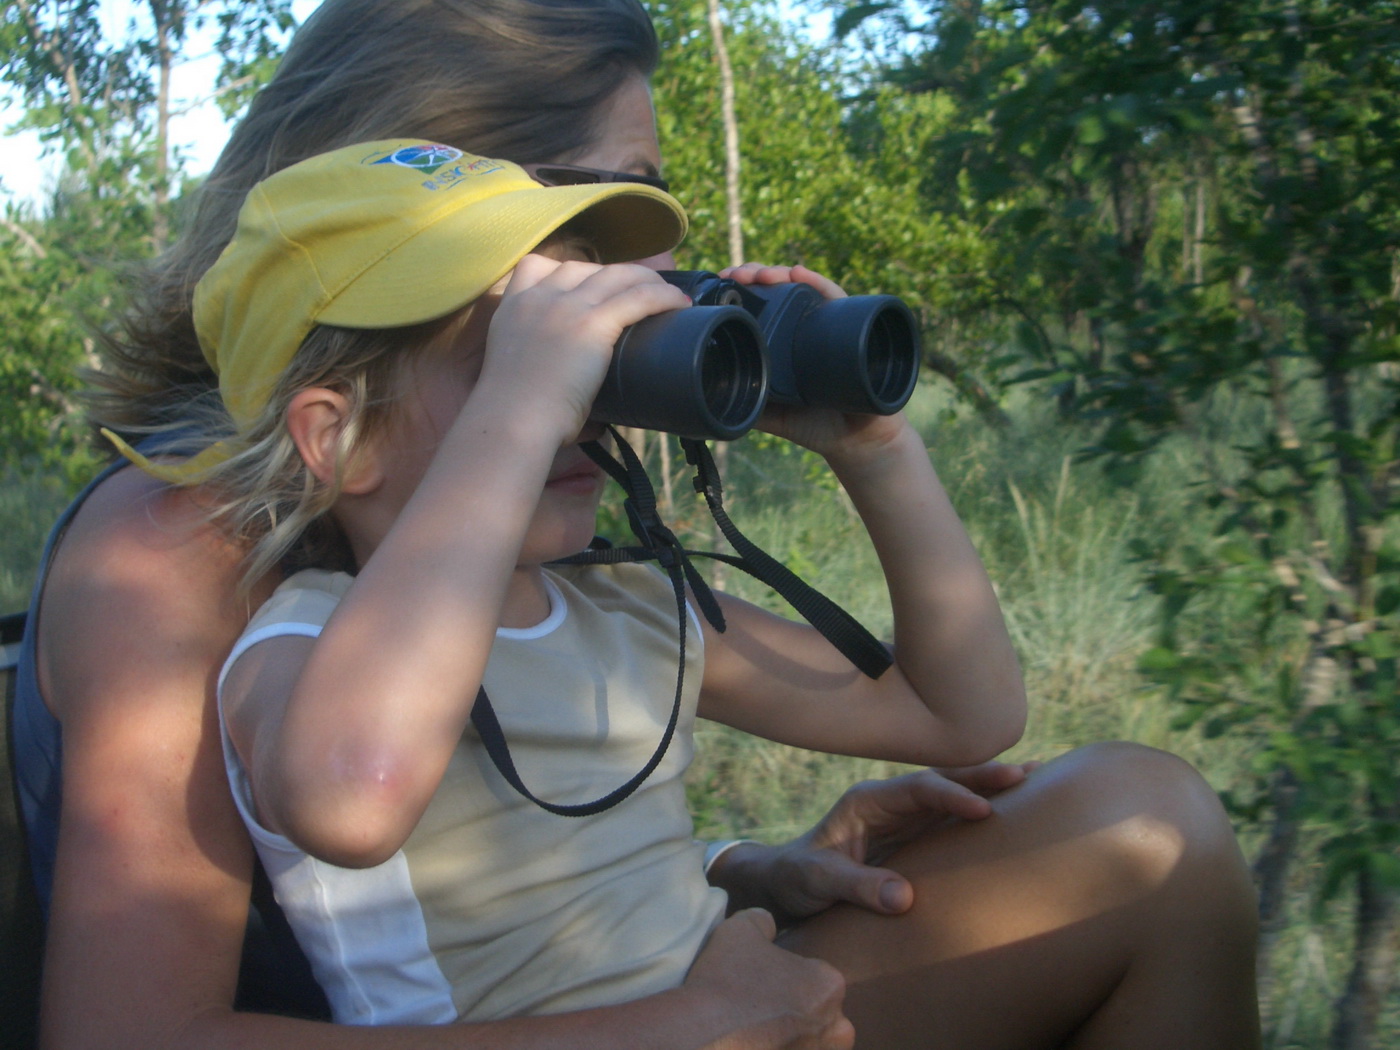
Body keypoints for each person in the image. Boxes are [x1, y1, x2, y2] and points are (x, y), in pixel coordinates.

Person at [11, 1, 1262, 1048]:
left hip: (668, 989)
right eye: (576, 233)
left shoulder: (576, 574)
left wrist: (722, 862)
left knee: (1146, 822)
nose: (631, 299)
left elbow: (961, 712)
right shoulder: (175, 548)